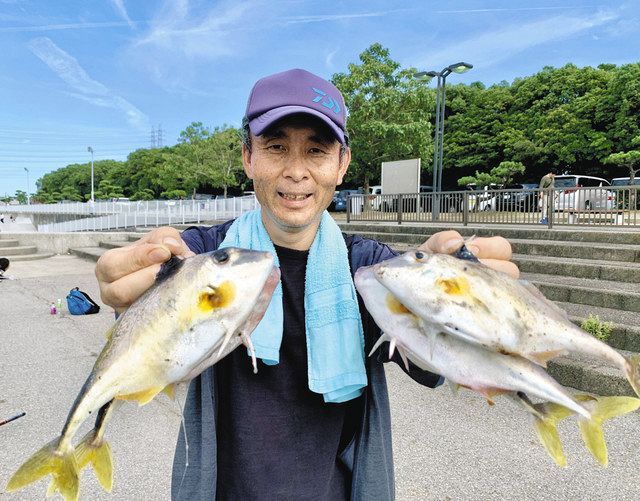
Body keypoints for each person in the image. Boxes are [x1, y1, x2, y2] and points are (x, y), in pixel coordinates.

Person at [95, 68, 518, 500]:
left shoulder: (370, 269)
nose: (296, 172)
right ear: (248, 157)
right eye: (276, 147)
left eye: (316, 150)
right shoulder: (206, 257)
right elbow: (152, 332)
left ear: (342, 164)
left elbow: (436, 361)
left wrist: (450, 304)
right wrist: (131, 292)